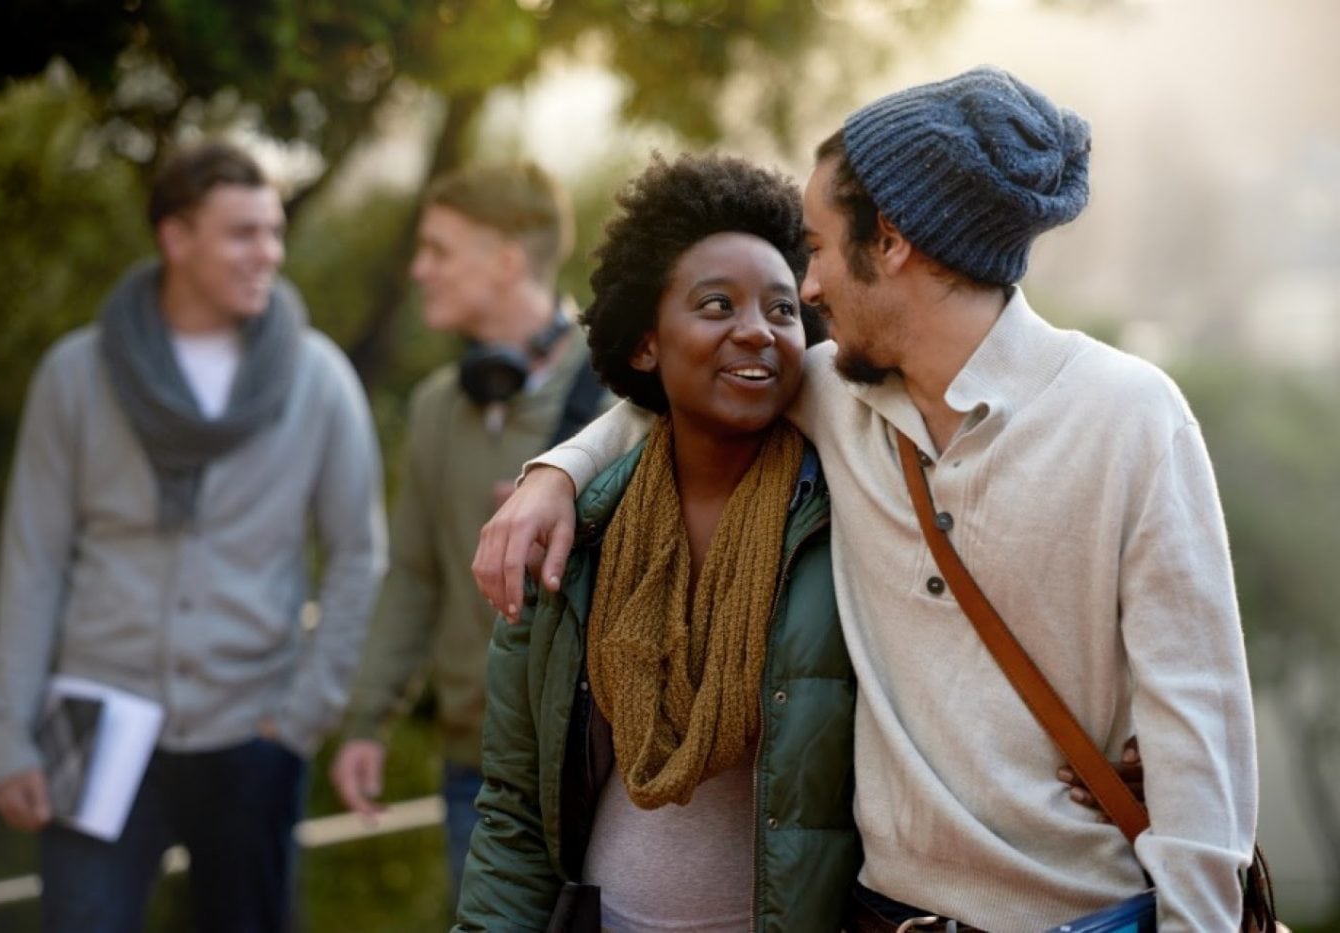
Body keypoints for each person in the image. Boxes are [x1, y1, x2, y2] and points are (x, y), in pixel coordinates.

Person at [473, 66, 1258, 930]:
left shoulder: (1130, 415)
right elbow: (682, 388)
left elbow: (1201, 728)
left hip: (1086, 914)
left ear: (890, 241)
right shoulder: (834, 395)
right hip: (879, 916)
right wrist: (555, 474)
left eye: (812, 247)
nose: (804, 292)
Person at [0, 140, 387, 931]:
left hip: (252, 727)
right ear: (175, 237)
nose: (268, 252)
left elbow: (358, 554)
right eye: (242, 232)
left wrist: (303, 714)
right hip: (91, 720)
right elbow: (32, 563)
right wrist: (11, 737)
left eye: (273, 231)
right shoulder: (76, 374)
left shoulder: (316, 377)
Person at [455, 152, 860, 932]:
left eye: (781, 309)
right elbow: (514, 804)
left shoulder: (838, 516)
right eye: (716, 306)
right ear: (646, 343)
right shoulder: (575, 536)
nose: (756, 331)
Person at [329, 161, 611, 901]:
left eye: (440, 250)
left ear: (508, 259)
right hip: (477, 772)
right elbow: (414, 575)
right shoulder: (433, 408)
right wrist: (367, 719)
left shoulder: (626, 387)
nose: (419, 269)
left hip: (606, 773)